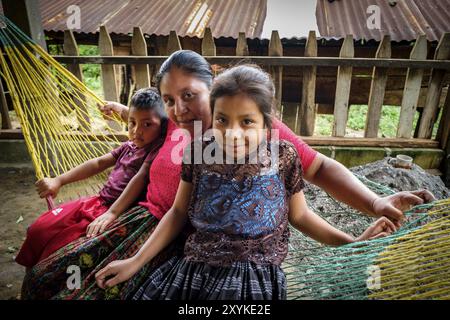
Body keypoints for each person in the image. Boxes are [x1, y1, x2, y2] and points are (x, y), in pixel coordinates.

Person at [22, 50, 433, 300]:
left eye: (189, 96)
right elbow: (141, 149)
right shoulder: (180, 132)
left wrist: (375, 204)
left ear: (211, 86)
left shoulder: (260, 136)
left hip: (203, 254)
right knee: (50, 272)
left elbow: (317, 175)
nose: (180, 109)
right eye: (170, 100)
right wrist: (110, 209)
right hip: (146, 229)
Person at [95, 65, 399, 300]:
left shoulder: (283, 157)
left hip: (252, 279)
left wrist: (353, 244)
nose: (232, 132)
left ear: (268, 124)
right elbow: (177, 213)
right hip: (194, 270)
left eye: (247, 121)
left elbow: (301, 216)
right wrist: (135, 262)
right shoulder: (198, 154)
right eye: (222, 119)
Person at [16, 88, 167, 268]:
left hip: (117, 211)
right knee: (40, 229)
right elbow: (98, 163)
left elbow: (141, 178)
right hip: (95, 202)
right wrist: (59, 180)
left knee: (60, 249)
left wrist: (112, 213)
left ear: (163, 127)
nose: (136, 131)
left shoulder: (156, 149)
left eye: (147, 125)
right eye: (132, 123)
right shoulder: (129, 145)